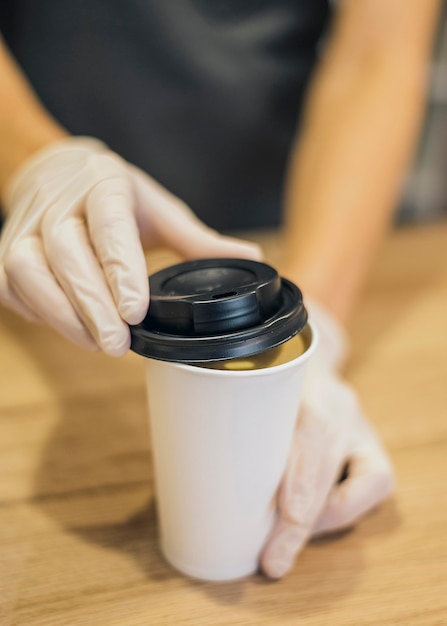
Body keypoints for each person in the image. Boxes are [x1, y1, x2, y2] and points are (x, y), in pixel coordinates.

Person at [0, 1, 440, 579]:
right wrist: (38, 165)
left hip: (277, 218)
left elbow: (376, 58)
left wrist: (318, 323)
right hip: (42, 238)